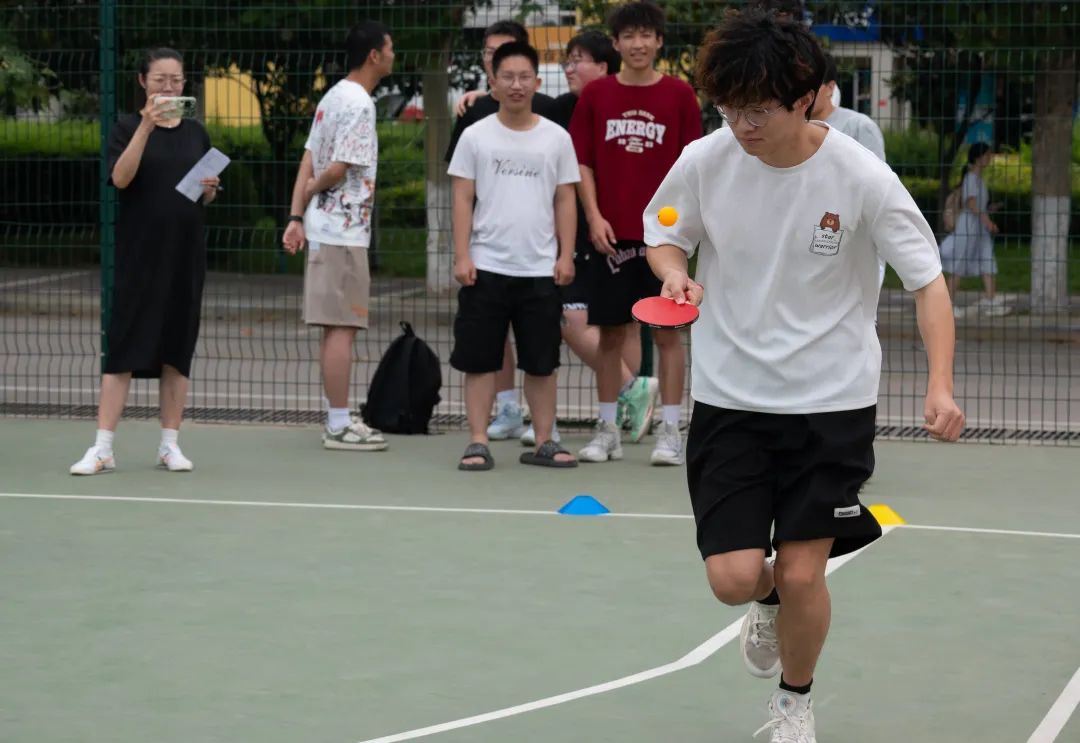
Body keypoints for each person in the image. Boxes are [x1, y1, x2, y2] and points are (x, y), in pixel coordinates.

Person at [644, 9, 964, 741]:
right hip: (729, 398)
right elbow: (663, 232)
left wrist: (940, 383)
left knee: (800, 572)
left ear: (807, 97)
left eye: (758, 110)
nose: (742, 126)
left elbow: (927, 280)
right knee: (733, 579)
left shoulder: (861, 176)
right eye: (729, 109)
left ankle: (794, 703)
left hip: (830, 404)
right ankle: (765, 604)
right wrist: (673, 273)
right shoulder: (705, 159)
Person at [70, 47, 220, 476]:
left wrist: (211, 188)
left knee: (177, 349)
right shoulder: (126, 128)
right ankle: (102, 448)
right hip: (139, 256)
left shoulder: (196, 134)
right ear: (142, 82)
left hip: (185, 256)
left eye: (176, 79)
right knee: (123, 348)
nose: (169, 87)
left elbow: (204, 194)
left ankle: (169, 445)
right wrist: (147, 127)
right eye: (160, 80)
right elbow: (120, 178)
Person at [569, 0, 702, 465]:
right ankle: (608, 430)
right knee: (609, 335)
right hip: (611, 236)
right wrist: (593, 216)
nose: (638, 43)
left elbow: (693, 167)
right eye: (629, 35)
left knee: (668, 335)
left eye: (646, 35)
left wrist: (683, 228)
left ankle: (671, 431)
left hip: (664, 241)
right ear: (616, 43)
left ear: (659, 41)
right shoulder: (596, 95)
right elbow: (582, 161)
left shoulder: (680, 96)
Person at [447, 41, 580, 471]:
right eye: (508, 77)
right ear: (493, 82)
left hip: (540, 269)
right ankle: (477, 441)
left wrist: (566, 254)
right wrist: (462, 255)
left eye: (525, 77)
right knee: (480, 360)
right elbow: (462, 197)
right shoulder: (475, 136)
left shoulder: (556, 138)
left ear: (537, 83)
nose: (517, 85)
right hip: (485, 267)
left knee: (542, 362)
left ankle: (544, 441)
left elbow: (565, 198)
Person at [282, 21, 394, 450]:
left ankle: (338, 419)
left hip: (327, 228)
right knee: (342, 328)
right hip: (343, 232)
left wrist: (297, 215)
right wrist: (312, 191)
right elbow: (334, 168)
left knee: (336, 328)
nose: (393, 55)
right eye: (389, 48)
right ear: (374, 55)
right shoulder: (360, 104)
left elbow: (308, 157)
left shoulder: (332, 97)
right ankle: (338, 424)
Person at [810, 52, 888, 287]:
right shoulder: (794, 128)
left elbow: (878, 188)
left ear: (830, 88)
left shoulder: (858, 126)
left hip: (850, 240)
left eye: (812, 85)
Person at [939, 142, 1008, 317]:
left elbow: (978, 205)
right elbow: (971, 204)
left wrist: (989, 209)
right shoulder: (971, 178)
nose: (990, 158)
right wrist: (987, 221)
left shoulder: (978, 179)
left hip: (979, 227)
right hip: (969, 226)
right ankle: (947, 306)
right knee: (959, 263)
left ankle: (990, 301)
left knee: (987, 259)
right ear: (978, 157)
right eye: (987, 154)